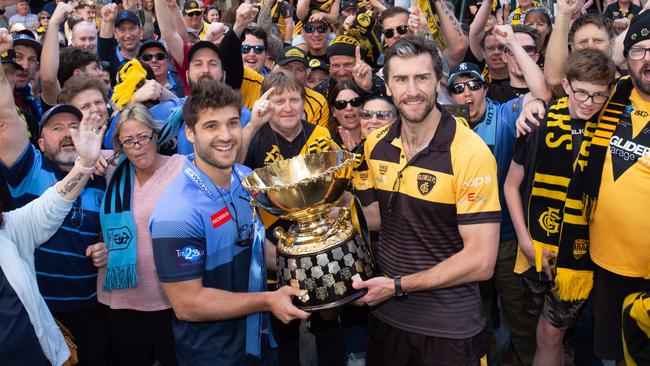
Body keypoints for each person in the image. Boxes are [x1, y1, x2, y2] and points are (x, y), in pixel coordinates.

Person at [353, 34, 501, 366]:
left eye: (422, 77)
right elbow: (377, 218)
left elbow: (482, 261)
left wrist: (398, 285)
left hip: (448, 326)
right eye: (401, 79)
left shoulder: (469, 152)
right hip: (386, 318)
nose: (412, 90)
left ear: (438, 82)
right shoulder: (375, 144)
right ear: (387, 86)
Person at [150, 79, 310, 366]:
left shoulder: (244, 176)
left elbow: (255, 245)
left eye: (232, 123)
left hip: (260, 343)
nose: (226, 135)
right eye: (211, 126)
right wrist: (267, 300)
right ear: (190, 132)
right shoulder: (175, 212)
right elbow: (188, 304)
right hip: (212, 354)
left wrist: (307, 264)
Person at [0, 27, 109, 366]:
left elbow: (106, 237)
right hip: (38, 307)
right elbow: (4, 118)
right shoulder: (29, 168)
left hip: (89, 310)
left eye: (74, 127)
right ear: (40, 142)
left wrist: (105, 249)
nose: (67, 134)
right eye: (56, 127)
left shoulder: (101, 182)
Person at [504, 48, 616, 366]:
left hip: (583, 258)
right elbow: (511, 185)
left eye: (598, 95)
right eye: (582, 92)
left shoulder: (608, 133)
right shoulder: (538, 123)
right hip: (538, 250)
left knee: (551, 334)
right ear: (566, 85)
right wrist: (525, 241)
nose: (589, 102)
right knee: (544, 332)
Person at [97, 104, 182, 366]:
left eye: (143, 137)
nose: (138, 146)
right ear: (120, 146)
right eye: (129, 141)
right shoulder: (113, 169)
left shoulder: (181, 168)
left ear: (156, 135)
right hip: (122, 295)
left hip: (169, 294)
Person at [327, 80, 363, 150]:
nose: (349, 108)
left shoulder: (376, 138)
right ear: (333, 111)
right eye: (341, 104)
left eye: (355, 101)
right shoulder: (327, 145)